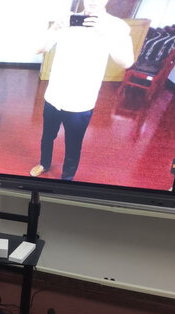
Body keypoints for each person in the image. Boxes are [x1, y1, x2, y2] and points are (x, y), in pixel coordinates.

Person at [30, 0, 135, 181]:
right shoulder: (67, 20)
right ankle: (44, 163)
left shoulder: (116, 26)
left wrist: (108, 33)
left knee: (73, 144)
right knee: (47, 136)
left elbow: (126, 62)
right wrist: (55, 28)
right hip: (54, 96)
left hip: (81, 102)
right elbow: (38, 48)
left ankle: (67, 177)